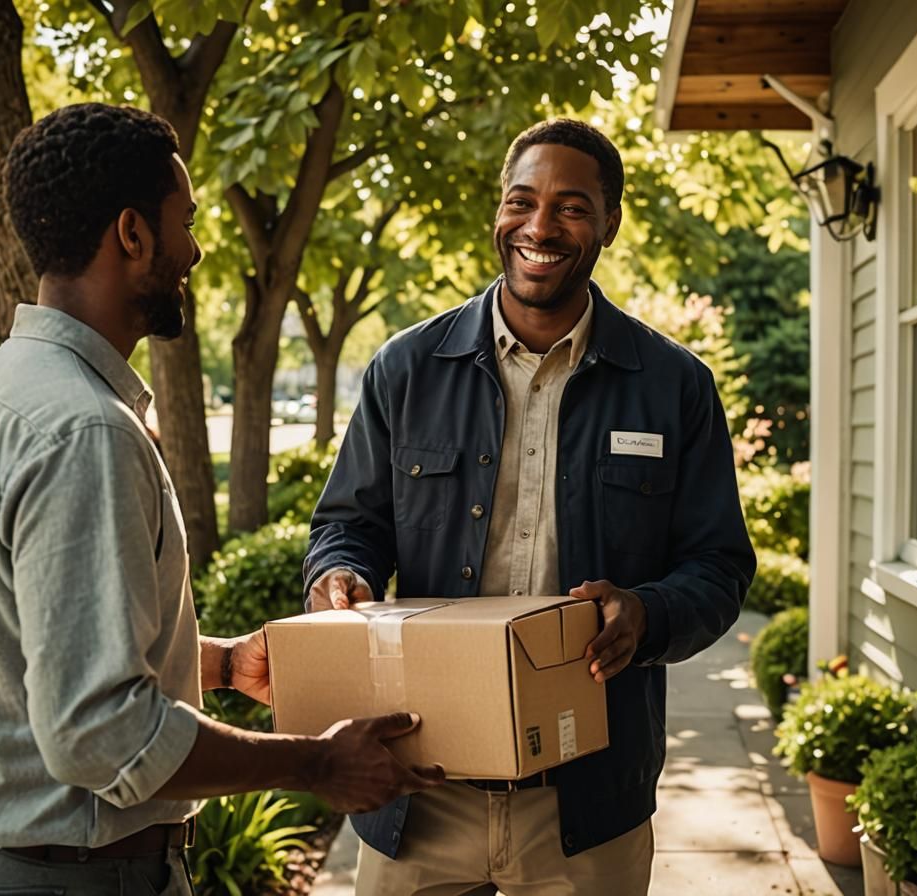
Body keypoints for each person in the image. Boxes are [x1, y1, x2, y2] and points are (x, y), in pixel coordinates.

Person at [0, 103, 443, 896]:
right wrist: (319, 762)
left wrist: (223, 662)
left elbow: (42, 645)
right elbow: (101, 733)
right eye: (185, 221)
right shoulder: (85, 431)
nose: (195, 250)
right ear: (133, 234)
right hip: (87, 879)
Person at [303, 118, 756, 894]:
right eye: (523, 201)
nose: (540, 227)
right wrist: (339, 573)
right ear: (498, 211)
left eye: (572, 207)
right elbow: (349, 525)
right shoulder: (406, 369)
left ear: (609, 221)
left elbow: (719, 565)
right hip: (420, 788)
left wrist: (647, 613)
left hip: (587, 804)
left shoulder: (674, 384)